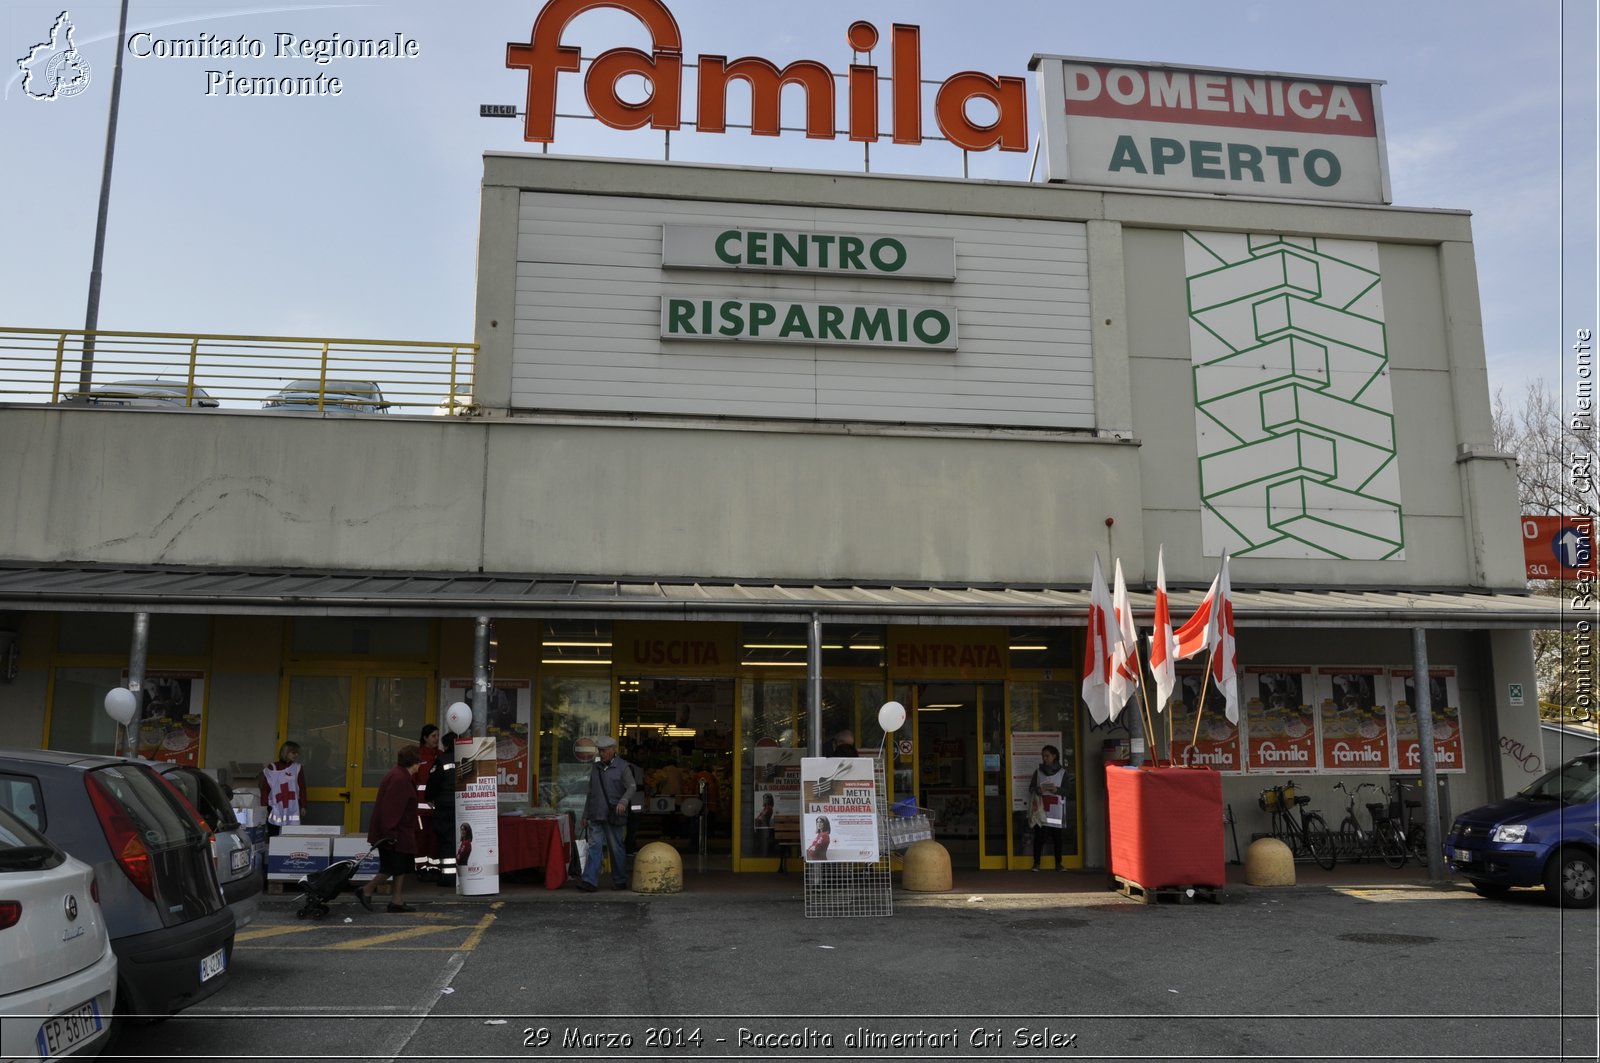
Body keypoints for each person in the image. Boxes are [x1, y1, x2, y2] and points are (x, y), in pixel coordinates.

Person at [357, 745, 426, 913]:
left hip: (400, 832)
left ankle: (396, 900)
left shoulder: (399, 775)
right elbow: (391, 808)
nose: (420, 765)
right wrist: (390, 833)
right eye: (419, 761)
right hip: (395, 833)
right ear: (414, 762)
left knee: (400, 868)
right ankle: (366, 889)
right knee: (391, 868)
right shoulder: (400, 779)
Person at [577, 735, 635, 893]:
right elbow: (591, 792)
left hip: (613, 815)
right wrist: (585, 815)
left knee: (616, 848)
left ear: (612, 750)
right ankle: (589, 881)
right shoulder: (595, 768)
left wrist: (623, 802)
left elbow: (632, 787)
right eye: (600, 751)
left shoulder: (624, 767)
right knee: (594, 847)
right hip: (596, 814)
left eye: (604, 751)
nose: (601, 754)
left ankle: (620, 880)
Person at [426, 728, 459, 887]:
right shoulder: (467, 760)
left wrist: (430, 798)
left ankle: (448, 877)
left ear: (445, 746)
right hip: (462, 807)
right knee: (460, 842)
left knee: (446, 842)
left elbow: (432, 786)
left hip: (444, 807)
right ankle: (460, 875)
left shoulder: (442, 761)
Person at [1028, 744, 1067, 871]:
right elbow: (1031, 788)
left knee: (1057, 838)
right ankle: (1037, 863)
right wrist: (1038, 789)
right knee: (1039, 837)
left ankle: (1058, 864)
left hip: (1056, 809)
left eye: (1047, 756)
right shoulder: (1038, 772)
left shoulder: (1062, 773)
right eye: (1043, 756)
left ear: (1054, 756)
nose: (1045, 758)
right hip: (1042, 809)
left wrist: (1057, 789)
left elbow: (1069, 791)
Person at [260, 740, 307, 833]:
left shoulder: (297, 768)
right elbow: (265, 789)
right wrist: (263, 806)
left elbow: (302, 788)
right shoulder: (272, 767)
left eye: (297, 753)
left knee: (292, 835)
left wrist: (303, 806)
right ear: (286, 752)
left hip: (293, 807)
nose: (296, 755)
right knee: (274, 835)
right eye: (293, 752)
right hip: (274, 807)